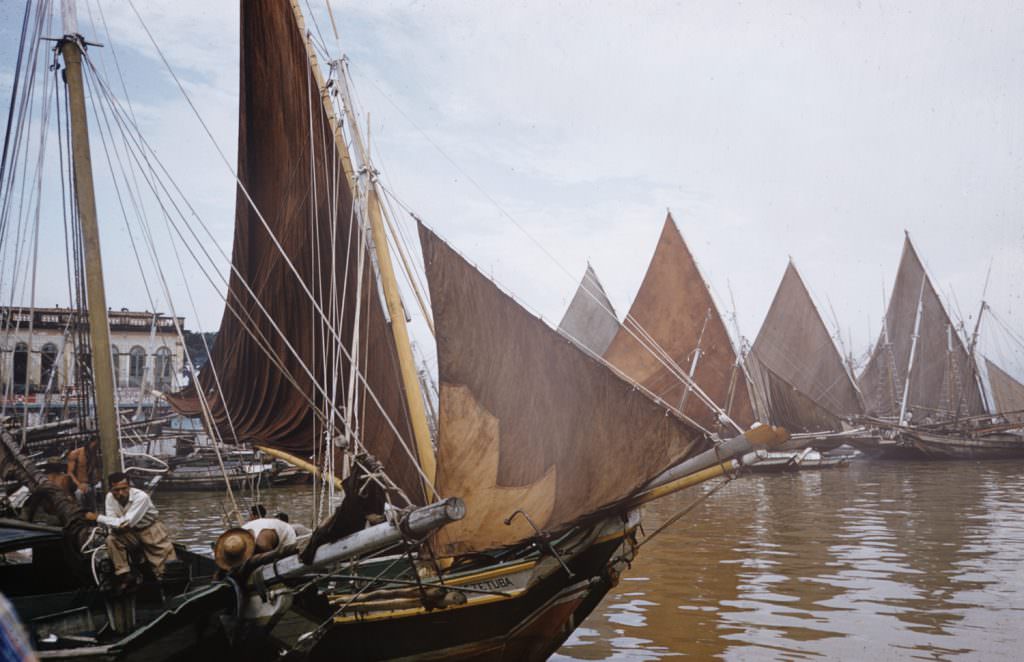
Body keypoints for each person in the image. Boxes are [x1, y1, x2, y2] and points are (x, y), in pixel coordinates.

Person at [84, 472, 176, 590]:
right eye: (116, 490)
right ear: (111, 489)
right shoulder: (110, 497)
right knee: (112, 539)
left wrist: (97, 517)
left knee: (165, 570)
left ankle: (166, 590)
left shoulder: (141, 497)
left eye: (124, 489)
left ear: (129, 486)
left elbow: (125, 523)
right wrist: (114, 523)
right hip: (129, 533)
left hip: (151, 531)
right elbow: (114, 523)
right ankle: (124, 574)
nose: (120, 493)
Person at [66, 439, 98, 511]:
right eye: (94, 445)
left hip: (90, 484)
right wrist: (79, 485)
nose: (95, 448)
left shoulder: (93, 454)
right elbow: (69, 472)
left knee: (93, 507)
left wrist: (95, 479)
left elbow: (94, 469)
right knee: (79, 497)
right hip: (78, 484)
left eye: (96, 446)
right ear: (88, 443)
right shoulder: (75, 453)